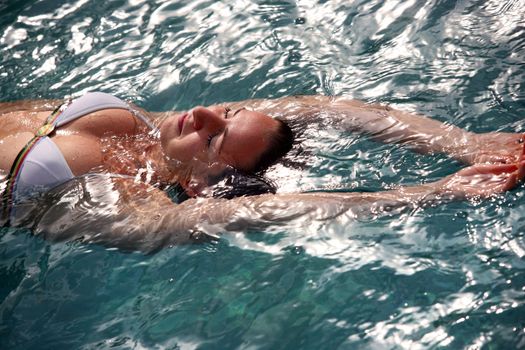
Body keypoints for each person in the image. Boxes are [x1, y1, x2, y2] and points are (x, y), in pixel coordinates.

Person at [1, 92, 524, 252]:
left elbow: (257, 210)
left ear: (197, 183)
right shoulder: (150, 129)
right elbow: (318, 107)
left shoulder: (131, 202)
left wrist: (428, 192)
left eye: (213, 137)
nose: (205, 114)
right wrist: (462, 142)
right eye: (226, 115)